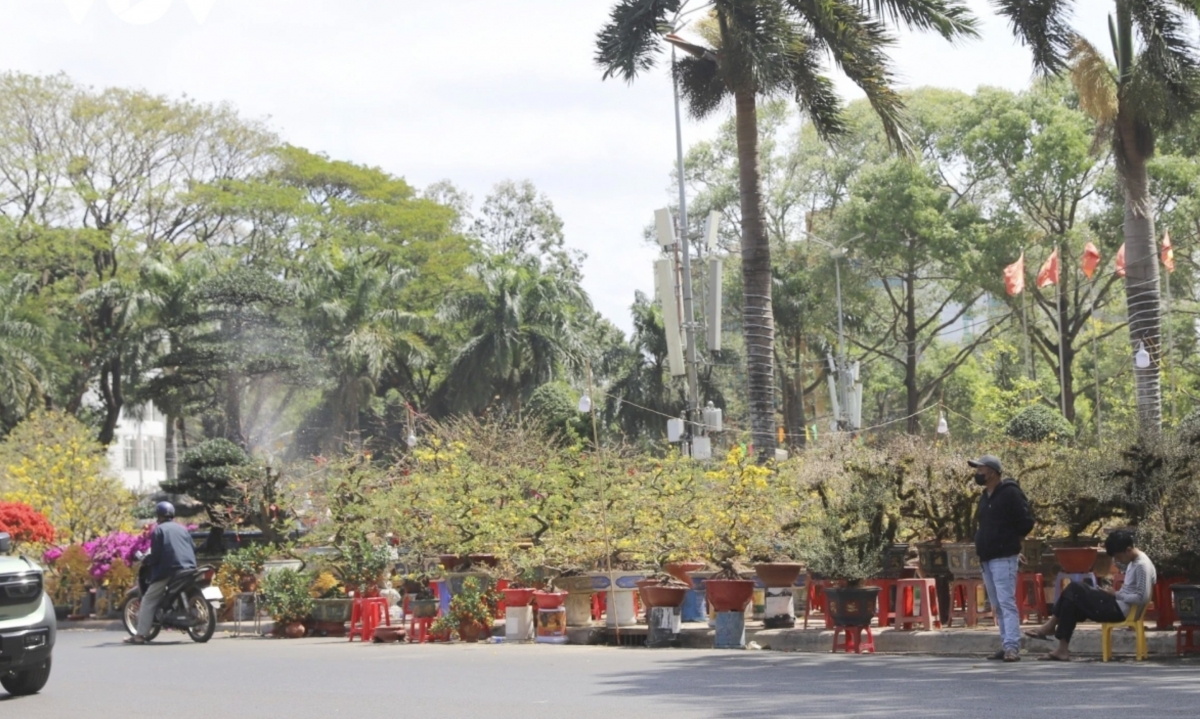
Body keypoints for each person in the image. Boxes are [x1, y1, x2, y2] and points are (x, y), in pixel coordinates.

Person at [1025, 529, 1156, 661]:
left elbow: (1142, 597)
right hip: (1117, 605)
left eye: (1118, 557)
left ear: (1128, 550)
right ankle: (1061, 649)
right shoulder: (1135, 561)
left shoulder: (1141, 565)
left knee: (1074, 588)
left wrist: (1116, 594)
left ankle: (1049, 627)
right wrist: (1112, 594)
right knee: (1071, 601)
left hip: (1118, 611)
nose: (1118, 561)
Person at [971, 454, 1035, 662]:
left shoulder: (1010, 493)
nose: (977, 473)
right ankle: (1005, 642)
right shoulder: (985, 496)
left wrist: (1011, 543)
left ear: (991, 472)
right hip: (987, 557)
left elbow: (1025, 522)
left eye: (980, 469)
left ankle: (1012, 646)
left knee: (1007, 602)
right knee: (997, 605)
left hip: (1003, 556)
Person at [125, 501, 197, 645]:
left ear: (159, 515)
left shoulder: (159, 530)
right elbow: (193, 547)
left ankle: (140, 636)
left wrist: (147, 560)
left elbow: (156, 555)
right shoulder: (182, 529)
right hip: (190, 567)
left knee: (148, 599)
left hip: (168, 570)